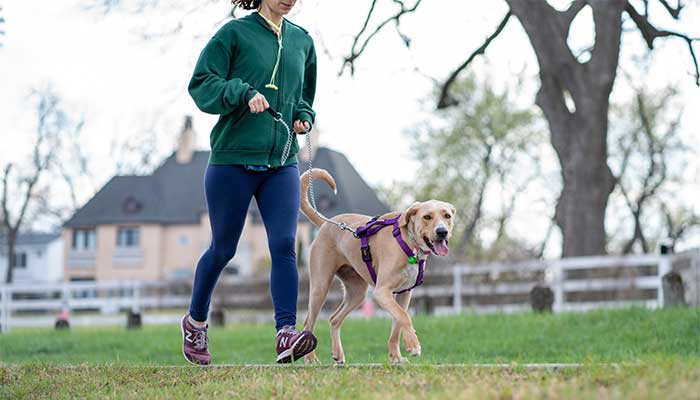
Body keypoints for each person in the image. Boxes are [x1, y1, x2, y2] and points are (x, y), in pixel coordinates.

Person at [181, 0, 317, 365]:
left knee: (285, 245)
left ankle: (285, 333)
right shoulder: (234, 34)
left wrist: (303, 114)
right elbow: (202, 83)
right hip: (233, 160)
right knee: (223, 249)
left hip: (282, 162)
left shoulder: (303, 41)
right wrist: (240, 92)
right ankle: (195, 322)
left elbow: (305, 95)